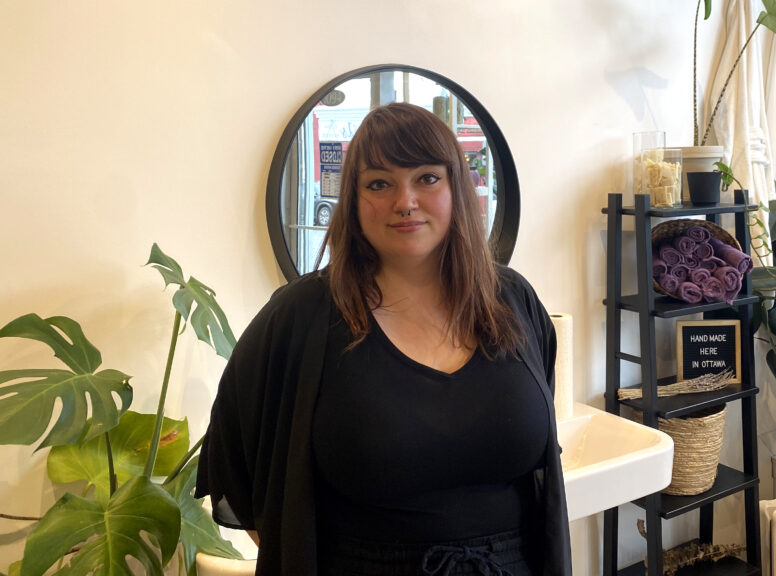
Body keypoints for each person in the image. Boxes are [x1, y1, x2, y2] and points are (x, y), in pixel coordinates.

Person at [196, 102, 571, 576]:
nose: (405, 201)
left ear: (457, 187)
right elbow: (236, 460)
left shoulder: (513, 301)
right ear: (352, 201)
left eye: (427, 178)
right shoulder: (302, 315)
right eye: (379, 183)